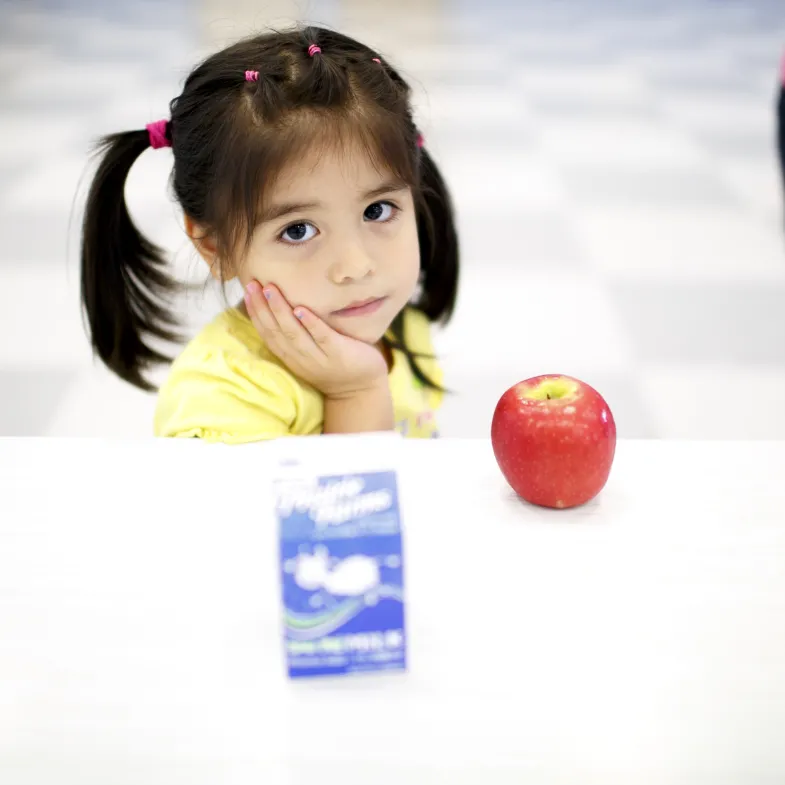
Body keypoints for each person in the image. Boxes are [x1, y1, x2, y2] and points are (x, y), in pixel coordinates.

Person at [79, 26, 459, 442]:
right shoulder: (224, 400)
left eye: (377, 210)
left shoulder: (396, 323)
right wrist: (355, 391)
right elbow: (352, 506)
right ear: (214, 245)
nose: (356, 266)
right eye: (298, 230)